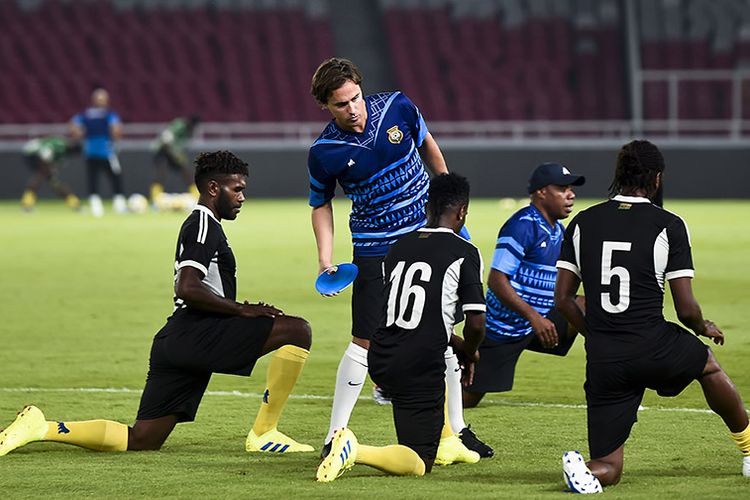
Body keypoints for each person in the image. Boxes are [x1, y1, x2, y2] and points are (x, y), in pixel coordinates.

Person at [0, 151, 314, 456]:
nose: (242, 197)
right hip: (197, 333)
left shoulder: (203, 226)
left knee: (143, 438)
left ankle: (41, 428)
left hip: (176, 340)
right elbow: (188, 286)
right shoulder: (203, 225)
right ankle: (264, 433)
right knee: (297, 330)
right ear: (213, 188)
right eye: (237, 189)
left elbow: (198, 287)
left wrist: (235, 306)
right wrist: (240, 310)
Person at [307, 57, 488, 459]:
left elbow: (428, 145)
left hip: (424, 234)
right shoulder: (324, 152)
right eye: (341, 104)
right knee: (363, 341)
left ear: (360, 87)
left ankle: (457, 430)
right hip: (375, 246)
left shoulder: (397, 107)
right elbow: (320, 204)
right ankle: (334, 435)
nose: (352, 109)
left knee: (440, 331)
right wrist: (325, 257)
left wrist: (451, 213)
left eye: (355, 97)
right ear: (325, 106)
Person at [555, 140, 750, 493]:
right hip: (653, 344)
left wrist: (596, 335)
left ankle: (587, 471)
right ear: (656, 179)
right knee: (707, 364)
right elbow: (686, 308)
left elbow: (564, 299)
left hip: (605, 359)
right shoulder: (669, 225)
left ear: (619, 175)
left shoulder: (582, 223)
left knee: (610, 467)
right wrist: (701, 327)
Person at [316, 173, 486, 482]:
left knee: (416, 430)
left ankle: (449, 436)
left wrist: (454, 342)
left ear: (426, 206)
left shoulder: (398, 248)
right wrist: (471, 353)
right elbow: (477, 322)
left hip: (382, 358)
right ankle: (353, 450)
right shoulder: (464, 251)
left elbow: (404, 311)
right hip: (419, 364)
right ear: (462, 211)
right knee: (419, 461)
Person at [463, 163, 585, 408]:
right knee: (464, 401)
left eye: (571, 188)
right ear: (541, 192)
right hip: (503, 330)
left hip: (540, 321)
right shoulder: (522, 225)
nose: (570, 194)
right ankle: (405, 383)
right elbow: (497, 280)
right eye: (562, 188)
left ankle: (610, 376)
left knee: (588, 305)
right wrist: (534, 318)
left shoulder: (557, 230)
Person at [70, 87, 125, 217]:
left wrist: (79, 134)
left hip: (90, 151)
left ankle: (96, 204)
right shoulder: (109, 114)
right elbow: (116, 129)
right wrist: (115, 138)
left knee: (93, 178)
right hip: (106, 151)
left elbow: (74, 125)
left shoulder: (86, 114)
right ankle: (118, 202)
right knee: (115, 176)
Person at [19, 135, 81, 212]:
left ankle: (74, 203)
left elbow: (54, 163)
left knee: (53, 181)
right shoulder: (60, 146)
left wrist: (51, 172)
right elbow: (45, 152)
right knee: (41, 177)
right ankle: (27, 204)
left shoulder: (64, 152)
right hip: (31, 152)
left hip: (40, 155)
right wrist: (47, 169)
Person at [150, 114, 201, 205]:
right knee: (161, 173)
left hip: (173, 153)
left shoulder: (188, 133)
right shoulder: (179, 125)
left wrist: (178, 155)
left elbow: (179, 146)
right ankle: (155, 198)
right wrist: (175, 155)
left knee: (186, 172)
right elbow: (166, 140)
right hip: (163, 151)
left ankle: (197, 195)